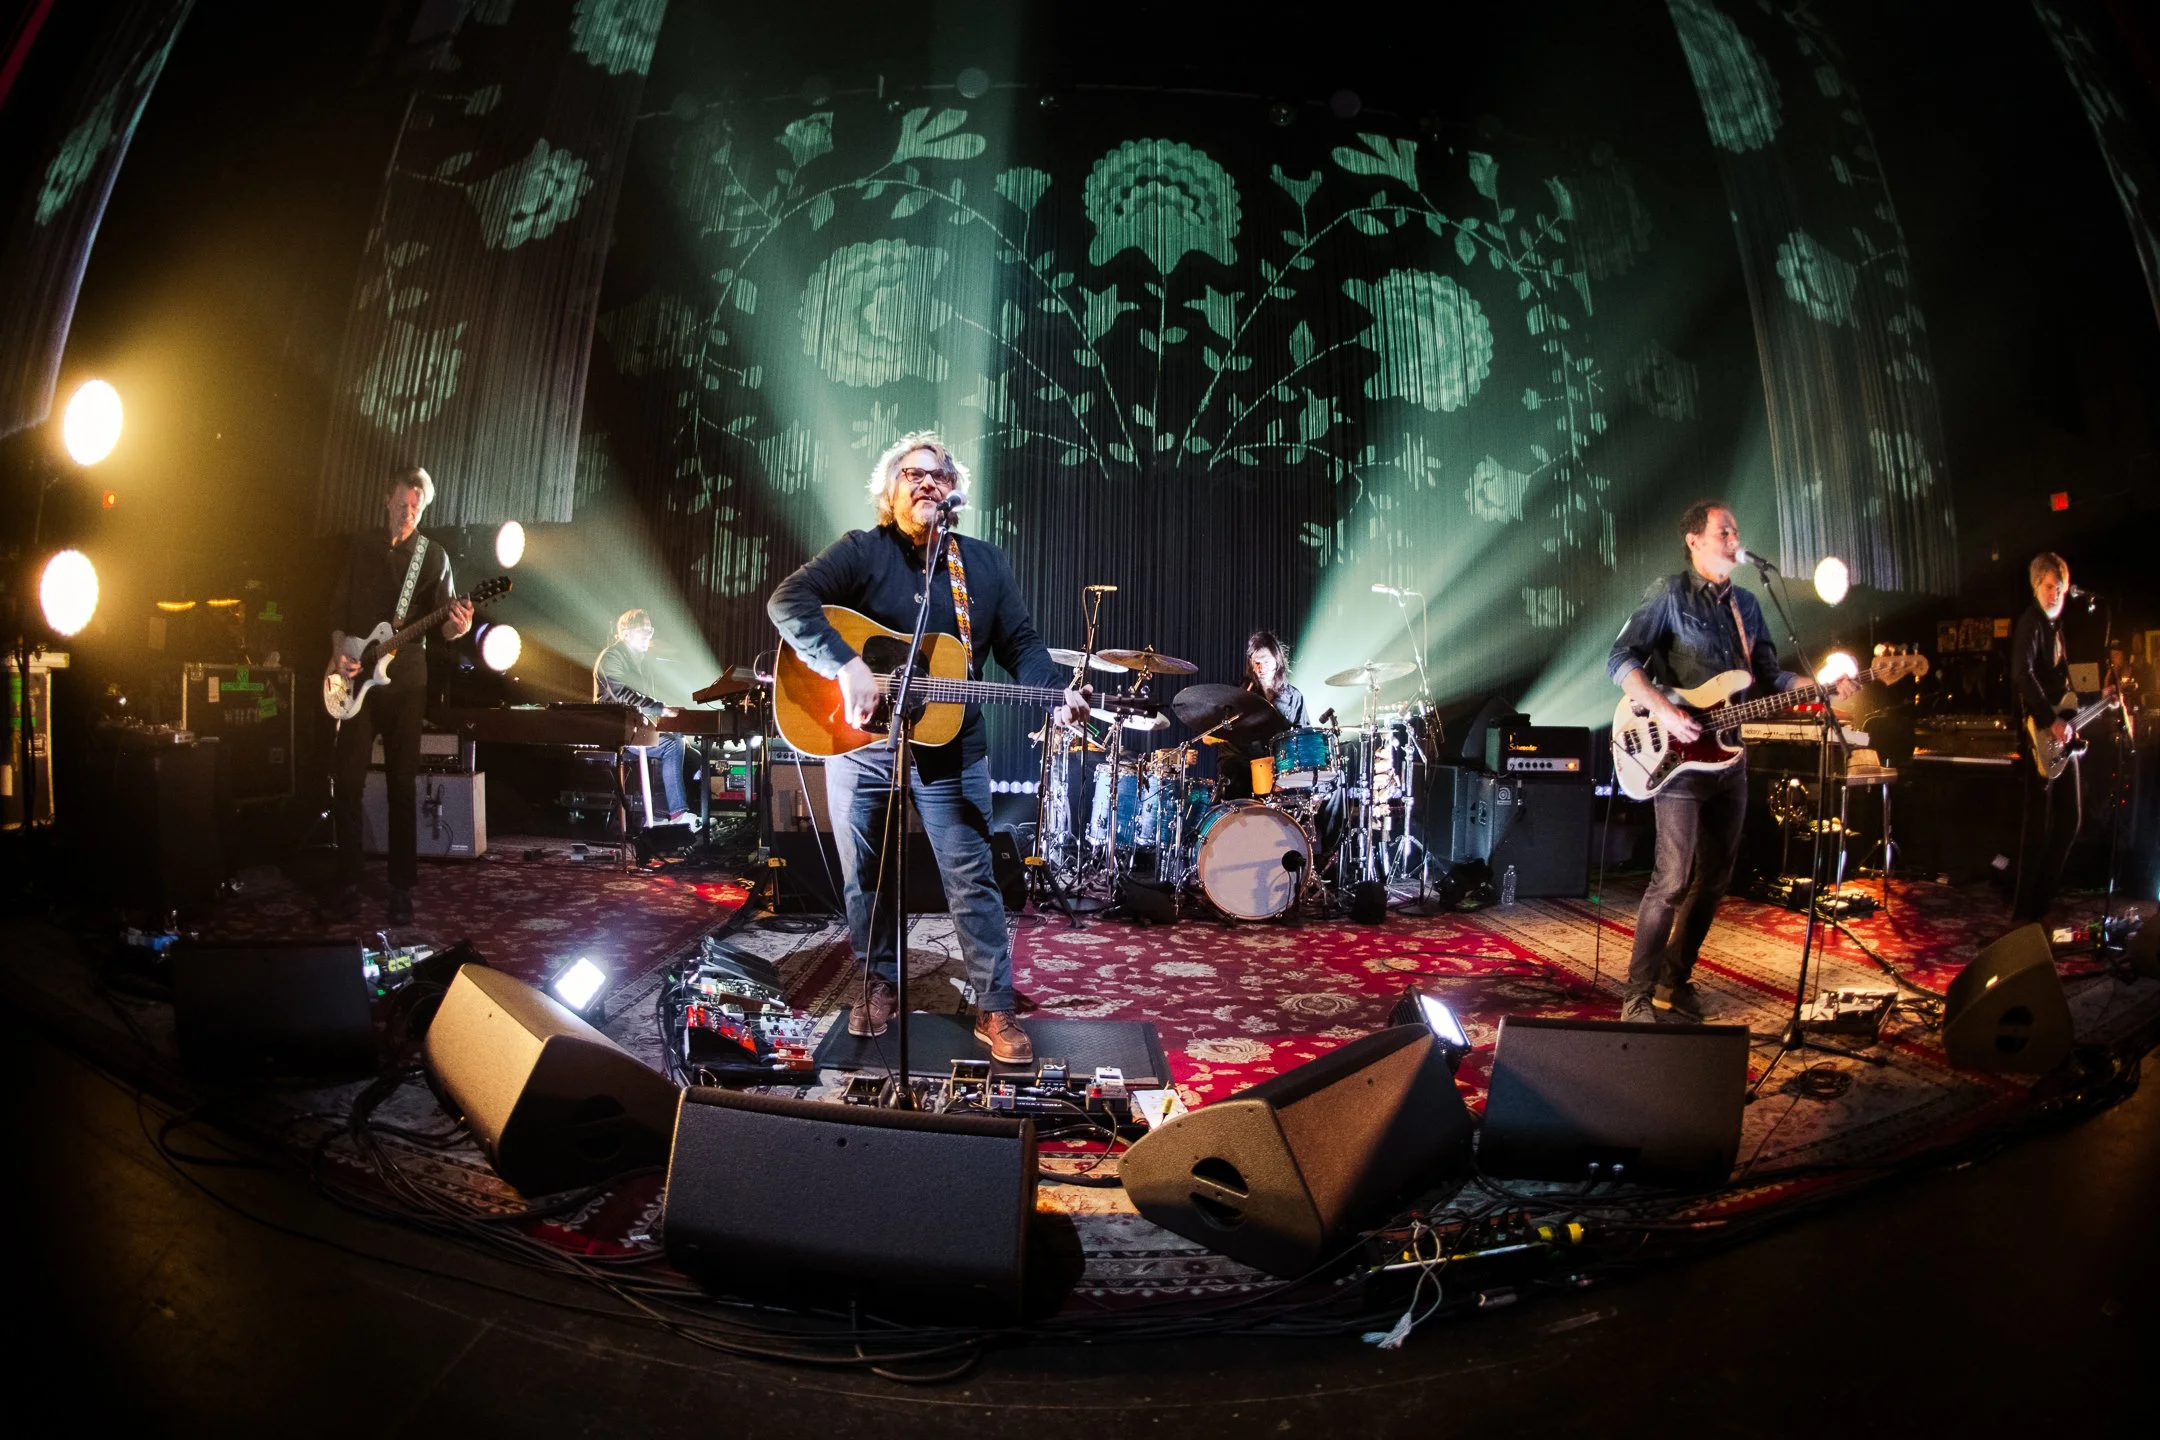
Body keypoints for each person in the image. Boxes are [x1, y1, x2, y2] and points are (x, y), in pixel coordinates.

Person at [767, 431, 1087, 1064]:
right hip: (860, 741)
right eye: (911, 474)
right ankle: (878, 980)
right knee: (865, 874)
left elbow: (1020, 643)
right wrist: (845, 666)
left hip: (951, 745)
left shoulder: (983, 565)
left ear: (953, 492)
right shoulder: (862, 550)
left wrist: (1052, 693)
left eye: (937, 475)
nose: (925, 483)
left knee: (971, 875)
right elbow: (788, 600)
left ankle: (994, 1004)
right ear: (891, 490)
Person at [1607, 500, 1854, 1025]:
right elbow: (1620, 659)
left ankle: (1674, 981)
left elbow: (1768, 677)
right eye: (1724, 531)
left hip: (1730, 760)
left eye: (1737, 530)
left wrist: (1821, 686)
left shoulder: (1747, 604)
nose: (1734, 538)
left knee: (1715, 879)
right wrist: (1665, 710)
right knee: (1671, 881)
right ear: (1694, 540)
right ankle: (1636, 995)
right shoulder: (1669, 593)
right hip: (1675, 756)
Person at [327, 466, 472, 925]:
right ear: (387, 500)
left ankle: (401, 888)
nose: (408, 512)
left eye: (416, 506)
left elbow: (445, 628)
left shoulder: (434, 557)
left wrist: (458, 626)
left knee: (402, 785)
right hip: (356, 677)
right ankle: (348, 882)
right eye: (403, 503)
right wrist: (338, 654)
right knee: (347, 782)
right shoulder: (361, 547)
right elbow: (338, 609)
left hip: (406, 682)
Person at [2009, 552, 2093, 926]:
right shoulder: (2030, 624)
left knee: (2070, 819)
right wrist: (2050, 720)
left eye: (2059, 588)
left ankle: (2040, 903)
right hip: (2038, 732)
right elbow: (2022, 674)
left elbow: (2061, 685)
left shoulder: (2055, 627)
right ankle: (2023, 913)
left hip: (2059, 731)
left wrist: (2086, 704)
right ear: (2036, 586)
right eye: (2048, 587)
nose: (2054, 594)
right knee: (2037, 826)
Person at [593, 608, 692, 825]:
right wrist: (662, 709)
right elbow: (622, 694)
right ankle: (677, 815)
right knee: (672, 745)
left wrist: (668, 722)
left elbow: (645, 702)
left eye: (650, 630)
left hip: (635, 730)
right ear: (626, 633)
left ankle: (667, 816)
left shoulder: (643, 662)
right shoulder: (612, 657)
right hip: (616, 731)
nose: (648, 635)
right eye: (643, 630)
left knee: (689, 749)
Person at [1217, 629, 1309, 800]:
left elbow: (1302, 734)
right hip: (1242, 761)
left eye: (1266, 661)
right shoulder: (1239, 693)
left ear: (1277, 660)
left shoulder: (1294, 697)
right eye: (1256, 663)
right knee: (1234, 768)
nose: (1261, 668)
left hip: (1281, 762)